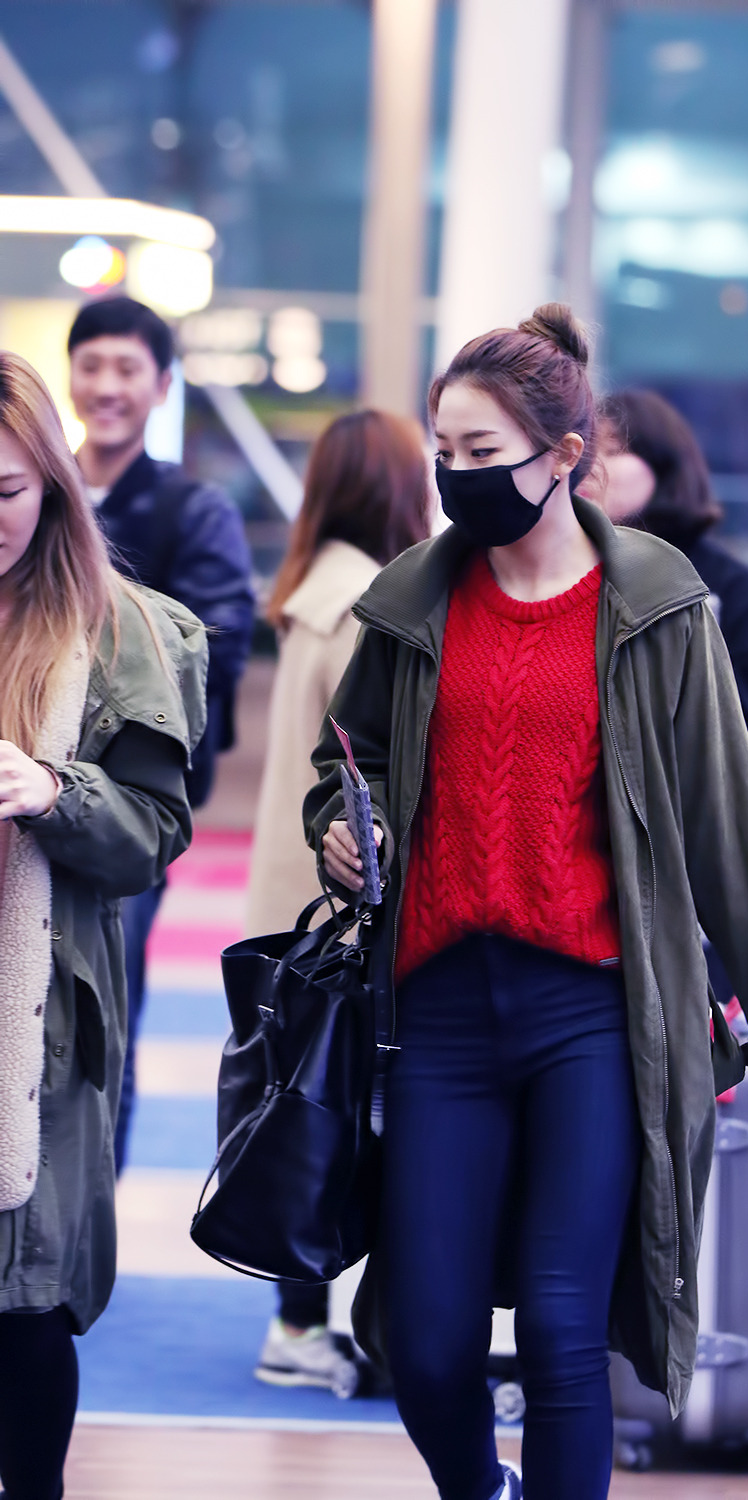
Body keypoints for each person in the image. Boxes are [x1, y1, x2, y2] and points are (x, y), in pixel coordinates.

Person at [305, 304, 748, 1500]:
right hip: (437, 1011)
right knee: (429, 1346)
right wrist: (345, 834)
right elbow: (346, 764)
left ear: (566, 458)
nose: (458, 478)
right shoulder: (416, 597)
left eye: (484, 455)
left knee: (563, 1337)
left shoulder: (657, 604)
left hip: (596, 1020)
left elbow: (727, 826)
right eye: (443, 453)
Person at [0, 352, 206, 1500]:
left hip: (43, 1014)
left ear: (55, 489)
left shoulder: (120, 629)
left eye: (7, 494)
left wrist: (52, 791)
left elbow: (153, 834)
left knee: (27, 1304)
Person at [246, 408, 431, 1387]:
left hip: (282, 897)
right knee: (336, 1118)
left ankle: (296, 1320)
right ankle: (304, 1325)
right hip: (337, 905)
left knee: (302, 1111)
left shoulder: (305, 590)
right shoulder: (370, 599)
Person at [67, 295, 256, 1173]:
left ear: (162, 386)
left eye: (127, 369)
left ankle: (84, 1224)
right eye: (92, 364)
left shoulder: (190, 508)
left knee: (103, 1006)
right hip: (17, 791)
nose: (106, 385)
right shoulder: (36, 487)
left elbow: (217, 643)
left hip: (120, 807)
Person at [590, 388, 748, 775]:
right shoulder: (562, 572)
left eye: (613, 450)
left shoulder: (730, 588)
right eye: (583, 452)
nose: (591, 468)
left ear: (665, 466)